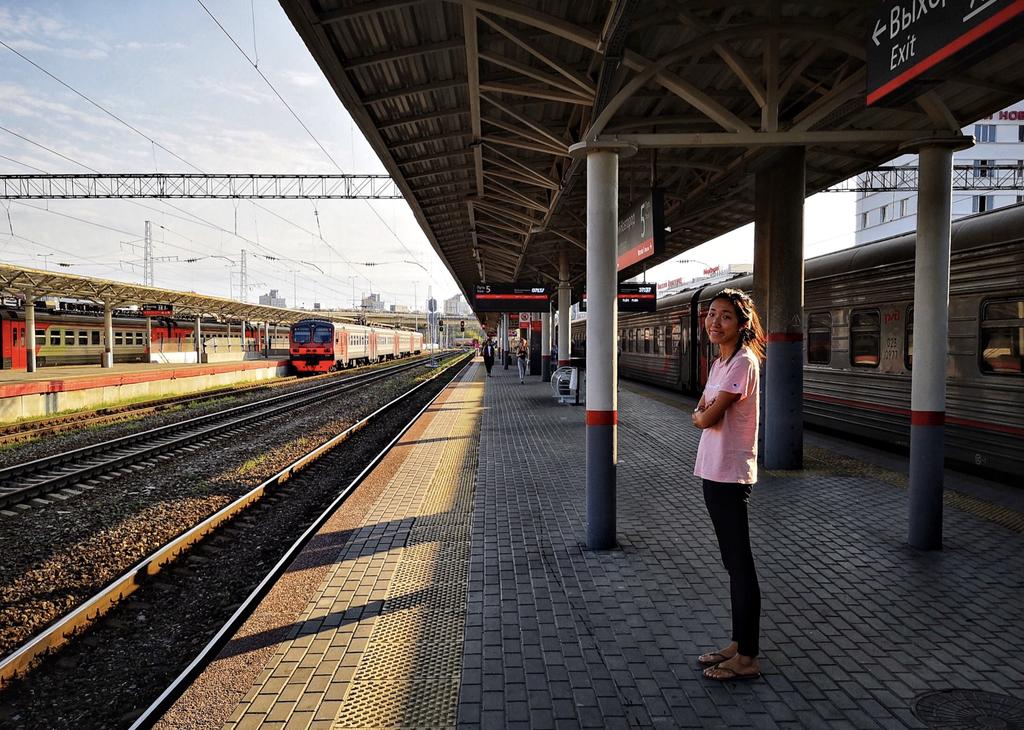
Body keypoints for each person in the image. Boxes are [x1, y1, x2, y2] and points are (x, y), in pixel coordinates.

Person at [690, 288, 766, 682]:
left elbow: (707, 417)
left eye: (725, 317)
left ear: (742, 324)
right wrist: (703, 413)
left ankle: (748, 658)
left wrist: (703, 415)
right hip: (713, 470)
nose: (714, 322)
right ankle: (739, 643)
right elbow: (701, 410)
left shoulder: (742, 364)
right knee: (731, 563)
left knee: (740, 565)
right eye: (711, 314)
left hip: (730, 473)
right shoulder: (721, 362)